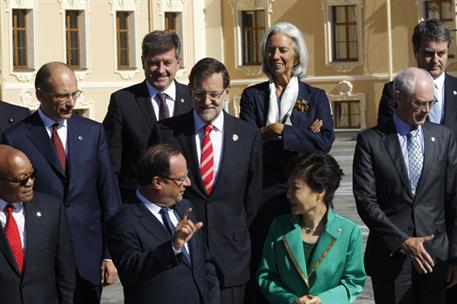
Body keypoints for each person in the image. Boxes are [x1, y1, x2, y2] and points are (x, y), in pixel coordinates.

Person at [1, 62, 121, 304]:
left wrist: (110, 255)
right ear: (40, 95)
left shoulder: (92, 132)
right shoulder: (16, 137)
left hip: (87, 257)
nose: (70, 103)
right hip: (41, 262)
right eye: (61, 96)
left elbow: (108, 196)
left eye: (74, 94)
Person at [152, 57, 263, 304]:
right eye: (199, 94)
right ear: (190, 91)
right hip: (183, 253)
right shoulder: (166, 132)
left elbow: (253, 197)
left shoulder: (247, 135)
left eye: (214, 94)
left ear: (227, 92)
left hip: (231, 256)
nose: (206, 102)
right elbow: (156, 193)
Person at [238, 22, 335, 302]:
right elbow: (247, 142)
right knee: (265, 267)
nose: (276, 56)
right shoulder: (253, 96)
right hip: (263, 195)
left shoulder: (314, 96)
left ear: (296, 55)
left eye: (283, 50)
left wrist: (278, 131)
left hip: (305, 198)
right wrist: (302, 135)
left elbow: (324, 144)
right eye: (270, 50)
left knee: (301, 269)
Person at [353, 67, 457, 304]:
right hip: (391, 258)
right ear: (398, 97)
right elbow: (365, 200)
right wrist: (402, 240)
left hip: (434, 256)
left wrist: (454, 257)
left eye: (431, 103)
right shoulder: (371, 141)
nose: (427, 111)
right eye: (420, 103)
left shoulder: (443, 137)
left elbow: (453, 197)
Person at [106, 144, 220, 304]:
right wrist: (173, 247)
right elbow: (131, 270)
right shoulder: (124, 221)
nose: (187, 183)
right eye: (181, 179)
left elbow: (205, 263)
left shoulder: (185, 207)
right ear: (157, 182)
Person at [257, 152, 365, 304]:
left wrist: (323, 300)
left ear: (320, 191)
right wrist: (291, 300)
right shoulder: (279, 227)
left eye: (295, 188)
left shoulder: (349, 232)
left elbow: (354, 282)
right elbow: (266, 275)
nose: (288, 195)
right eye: (287, 187)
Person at [103, 30, 193, 201]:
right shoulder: (123, 102)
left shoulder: (192, 99)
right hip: (136, 204)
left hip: (185, 203)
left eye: (167, 62)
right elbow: (111, 164)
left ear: (178, 63)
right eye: (154, 63)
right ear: (143, 63)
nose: (161, 70)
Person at [0, 145, 76, 304]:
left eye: (32, 175)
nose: (29, 183)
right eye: (22, 179)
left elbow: (65, 270)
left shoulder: (52, 210)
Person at [377, 19, 457, 137]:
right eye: (429, 54)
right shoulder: (394, 91)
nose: (436, 60)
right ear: (416, 52)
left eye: (441, 53)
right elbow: (387, 139)